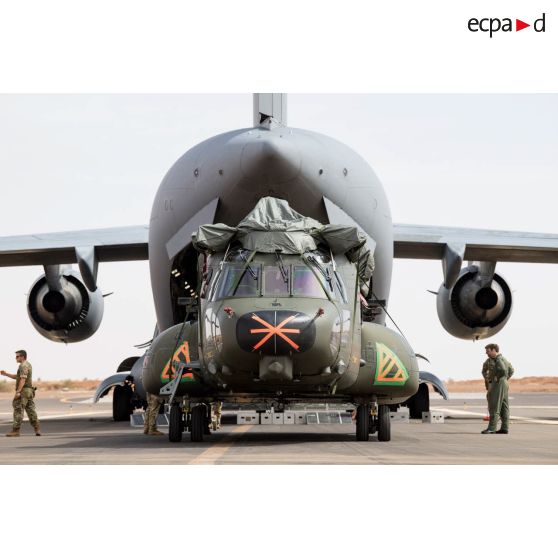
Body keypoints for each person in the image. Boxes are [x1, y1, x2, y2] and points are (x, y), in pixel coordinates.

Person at [1, 349, 41, 437]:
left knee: (18, 409)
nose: (16, 358)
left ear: (22, 357)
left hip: (24, 391)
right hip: (29, 391)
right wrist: (6, 374)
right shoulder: (27, 365)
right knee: (31, 410)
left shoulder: (23, 366)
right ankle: (37, 429)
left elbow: (22, 380)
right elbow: (18, 377)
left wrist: (18, 392)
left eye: (17, 356)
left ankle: (16, 430)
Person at [481, 343, 514, 434]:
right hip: (503, 383)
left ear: (494, 350)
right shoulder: (502, 359)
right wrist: (504, 379)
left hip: (498, 384)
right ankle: (504, 428)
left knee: (494, 406)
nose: (486, 353)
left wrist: (498, 378)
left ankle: (492, 428)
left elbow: (503, 370)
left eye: (488, 351)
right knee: (504, 407)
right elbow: (511, 370)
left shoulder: (498, 360)